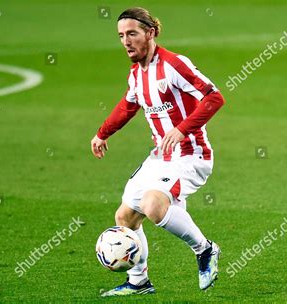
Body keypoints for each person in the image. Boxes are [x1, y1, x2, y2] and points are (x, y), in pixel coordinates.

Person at [90, 7, 226, 297]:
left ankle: (205, 250)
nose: (126, 41)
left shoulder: (174, 65)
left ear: (150, 33)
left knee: (153, 205)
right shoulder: (136, 74)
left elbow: (214, 97)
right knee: (125, 216)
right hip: (161, 157)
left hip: (191, 155)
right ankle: (139, 282)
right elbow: (128, 106)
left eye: (132, 34)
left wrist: (182, 129)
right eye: (121, 36)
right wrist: (103, 133)